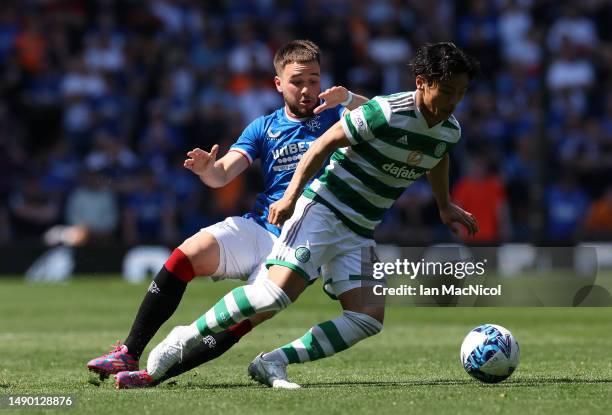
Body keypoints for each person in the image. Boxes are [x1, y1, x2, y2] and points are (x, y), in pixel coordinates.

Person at [144, 42, 480, 389]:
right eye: (448, 91)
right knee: (274, 295)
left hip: (361, 228)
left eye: (461, 93)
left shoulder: (448, 128)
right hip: (323, 209)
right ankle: (183, 337)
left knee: (368, 318)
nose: (453, 101)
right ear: (422, 82)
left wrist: (444, 204)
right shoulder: (388, 111)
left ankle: (273, 361)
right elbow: (322, 145)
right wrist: (291, 198)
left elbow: (438, 153)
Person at [85, 39, 370, 387]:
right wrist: (208, 170)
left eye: (314, 79)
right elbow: (223, 174)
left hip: (302, 246)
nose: (307, 89)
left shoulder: (338, 116)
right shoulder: (263, 127)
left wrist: (350, 99)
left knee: (234, 322)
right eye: (297, 80)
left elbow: (390, 120)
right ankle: (128, 352)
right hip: (261, 228)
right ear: (278, 83)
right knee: (185, 255)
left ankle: (150, 377)